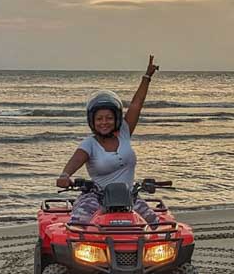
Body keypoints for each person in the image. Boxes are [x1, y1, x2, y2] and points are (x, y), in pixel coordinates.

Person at [57, 56, 161, 225]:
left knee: (155, 225)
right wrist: (65, 175)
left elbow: (136, 104)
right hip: (96, 196)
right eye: (99, 119)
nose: (104, 122)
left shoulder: (124, 132)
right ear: (92, 121)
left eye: (109, 118)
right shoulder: (89, 144)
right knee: (77, 225)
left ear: (117, 119)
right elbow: (75, 160)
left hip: (129, 196)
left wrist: (147, 76)